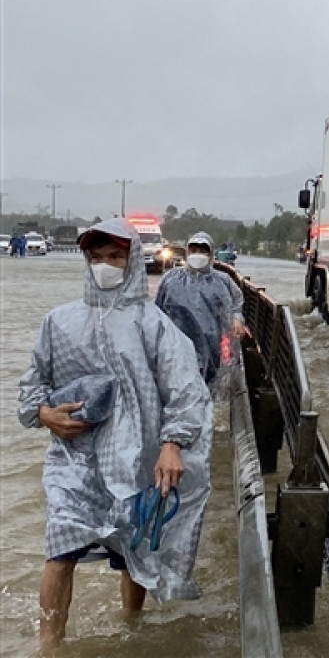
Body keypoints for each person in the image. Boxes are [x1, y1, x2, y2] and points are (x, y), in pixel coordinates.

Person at [17, 218, 213, 648]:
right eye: (96, 257)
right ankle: (49, 645)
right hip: (75, 462)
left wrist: (171, 444)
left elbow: (184, 392)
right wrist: (45, 415)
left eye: (115, 257)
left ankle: (130, 626)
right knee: (61, 545)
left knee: (132, 551)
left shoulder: (156, 326)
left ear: (132, 262)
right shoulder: (59, 322)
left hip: (137, 458)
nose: (105, 265)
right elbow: (31, 389)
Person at [155, 231, 247, 386]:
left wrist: (237, 319)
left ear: (211, 254)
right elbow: (157, 311)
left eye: (203, 251)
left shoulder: (223, 281)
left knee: (208, 388)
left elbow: (236, 304)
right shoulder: (170, 279)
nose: (198, 254)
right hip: (176, 348)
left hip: (212, 347)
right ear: (187, 252)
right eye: (194, 250)